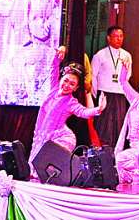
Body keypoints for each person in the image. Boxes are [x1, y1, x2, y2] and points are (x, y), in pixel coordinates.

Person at [29, 46, 106, 176]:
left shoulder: (71, 102)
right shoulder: (53, 89)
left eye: (72, 84)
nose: (67, 85)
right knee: (33, 171)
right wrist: (59, 54)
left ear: (75, 88)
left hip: (60, 139)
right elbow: (53, 68)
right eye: (66, 80)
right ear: (61, 79)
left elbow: (83, 112)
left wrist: (98, 109)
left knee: (44, 172)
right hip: (41, 137)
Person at [91, 26, 133, 149]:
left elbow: (128, 75)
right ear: (109, 38)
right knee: (103, 124)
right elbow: (93, 75)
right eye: (115, 36)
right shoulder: (100, 55)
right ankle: (101, 150)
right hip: (105, 93)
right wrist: (96, 94)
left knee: (118, 124)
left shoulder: (126, 55)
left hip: (120, 94)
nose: (119, 39)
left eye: (121, 36)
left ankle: (116, 151)